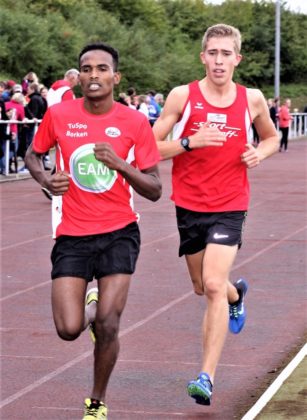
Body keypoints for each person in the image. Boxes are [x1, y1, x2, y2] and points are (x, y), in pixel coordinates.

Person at [25, 41, 162, 420]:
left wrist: (120, 164)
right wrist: (44, 180)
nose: (94, 75)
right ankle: (90, 305)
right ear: (78, 77)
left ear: (115, 77)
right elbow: (33, 155)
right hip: (72, 233)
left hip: (119, 232)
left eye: (102, 69)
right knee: (69, 329)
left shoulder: (135, 122)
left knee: (108, 323)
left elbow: (154, 190)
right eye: (87, 69)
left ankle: (97, 402)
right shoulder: (59, 115)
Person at [153, 23, 279, 407]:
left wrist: (260, 152)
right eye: (213, 53)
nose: (219, 61)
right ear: (202, 57)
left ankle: (205, 376)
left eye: (227, 54)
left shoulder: (252, 99)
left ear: (237, 59)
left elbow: (271, 137)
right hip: (189, 205)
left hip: (231, 204)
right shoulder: (182, 96)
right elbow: (152, 148)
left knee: (210, 284)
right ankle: (236, 293)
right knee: (202, 285)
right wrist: (190, 142)